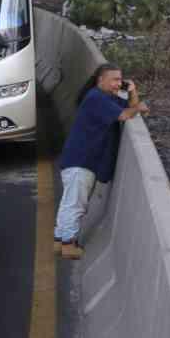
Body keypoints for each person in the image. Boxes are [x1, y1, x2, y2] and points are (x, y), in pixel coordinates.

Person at [54, 63, 149, 260]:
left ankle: (59, 241)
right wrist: (139, 106)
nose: (118, 83)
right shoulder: (96, 98)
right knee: (75, 204)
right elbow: (125, 115)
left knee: (69, 202)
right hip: (82, 161)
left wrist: (132, 92)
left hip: (78, 159)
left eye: (120, 80)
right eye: (114, 79)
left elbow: (129, 108)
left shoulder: (105, 98)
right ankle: (68, 245)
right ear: (100, 80)